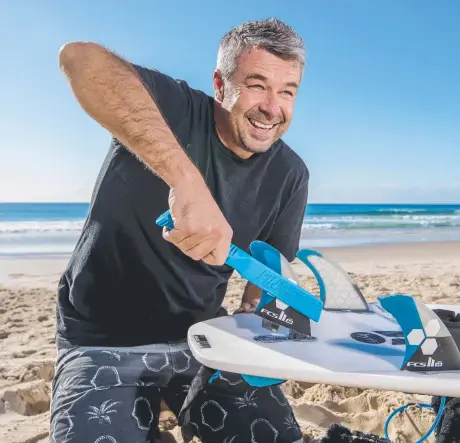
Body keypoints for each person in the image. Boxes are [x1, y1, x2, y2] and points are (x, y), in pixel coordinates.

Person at [50, 18, 309, 443]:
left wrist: (257, 310)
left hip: (203, 340)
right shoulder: (171, 109)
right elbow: (79, 59)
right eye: (258, 85)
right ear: (221, 84)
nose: (272, 107)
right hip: (100, 338)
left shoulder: (290, 173)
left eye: (287, 92)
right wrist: (186, 182)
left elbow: (269, 270)